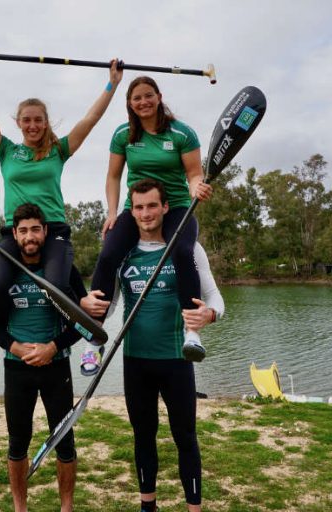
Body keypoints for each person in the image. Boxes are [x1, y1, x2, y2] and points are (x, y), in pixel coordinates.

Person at [81, 179, 223, 512]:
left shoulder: (186, 249)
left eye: (151, 206)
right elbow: (111, 304)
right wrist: (90, 311)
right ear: (133, 211)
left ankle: (194, 507)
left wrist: (211, 314)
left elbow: (215, 297)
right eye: (139, 207)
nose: (146, 214)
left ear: (164, 208)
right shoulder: (123, 253)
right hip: (136, 361)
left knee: (185, 438)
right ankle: (148, 506)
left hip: (176, 358)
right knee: (143, 437)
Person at [0, 45, 122, 328]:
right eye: (26, 120)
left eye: (38, 120)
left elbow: (90, 119)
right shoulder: (6, 151)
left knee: (56, 286)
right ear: (18, 123)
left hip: (53, 229)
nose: (32, 125)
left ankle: (82, 329)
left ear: (45, 122)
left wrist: (112, 84)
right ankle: (6, 334)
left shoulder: (57, 150)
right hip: (14, 233)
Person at [80, 76, 213, 375]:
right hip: (136, 207)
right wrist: (112, 212)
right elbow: (113, 176)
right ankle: (94, 339)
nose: (143, 102)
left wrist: (196, 188)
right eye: (136, 98)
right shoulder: (123, 134)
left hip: (176, 205)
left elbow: (194, 173)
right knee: (109, 253)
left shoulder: (182, 133)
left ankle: (192, 333)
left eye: (148, 96)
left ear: (159, 96)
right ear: (130, 103)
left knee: (181, 252)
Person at [0, 203, 86, 512]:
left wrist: (53, 346)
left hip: (56, 367)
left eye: (35, 230)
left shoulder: (64, 272)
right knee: (17, 443)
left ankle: (66, 507)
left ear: (45, 232)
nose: (30, 236)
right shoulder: (5, 272)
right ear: (15, 234)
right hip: (17, 368)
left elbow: (83, 323)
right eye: (23, 230)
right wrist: (15, 347)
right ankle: (20, 508)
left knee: (64, 442)